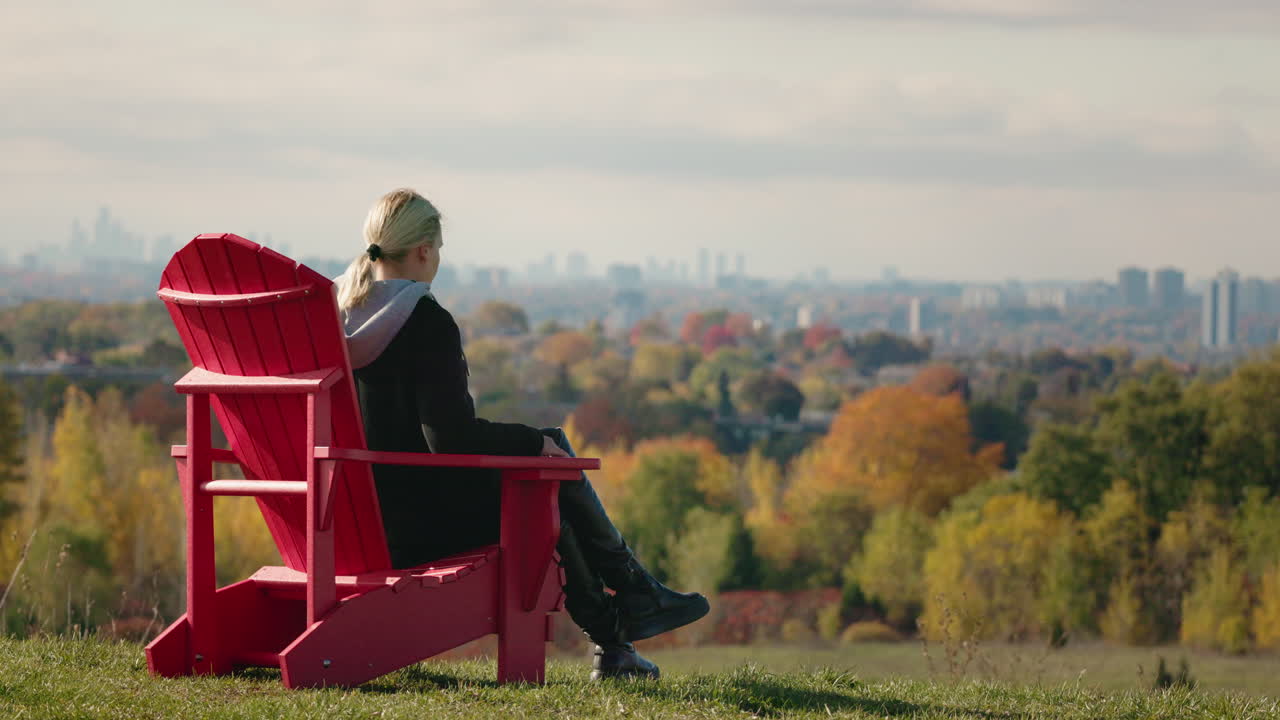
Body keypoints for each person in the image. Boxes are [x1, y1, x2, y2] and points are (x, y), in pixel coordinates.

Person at [335, 188, 709, 680]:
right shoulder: (424, 322)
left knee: (545, 478)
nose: (439, 260)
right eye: (439, 250)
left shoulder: (334, 318)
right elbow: (450, 439)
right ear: (424, 249)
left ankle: (624, 626)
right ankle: (629, 606)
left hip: (350, 519)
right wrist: (534, 444)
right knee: (542, 488)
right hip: (416, 525)